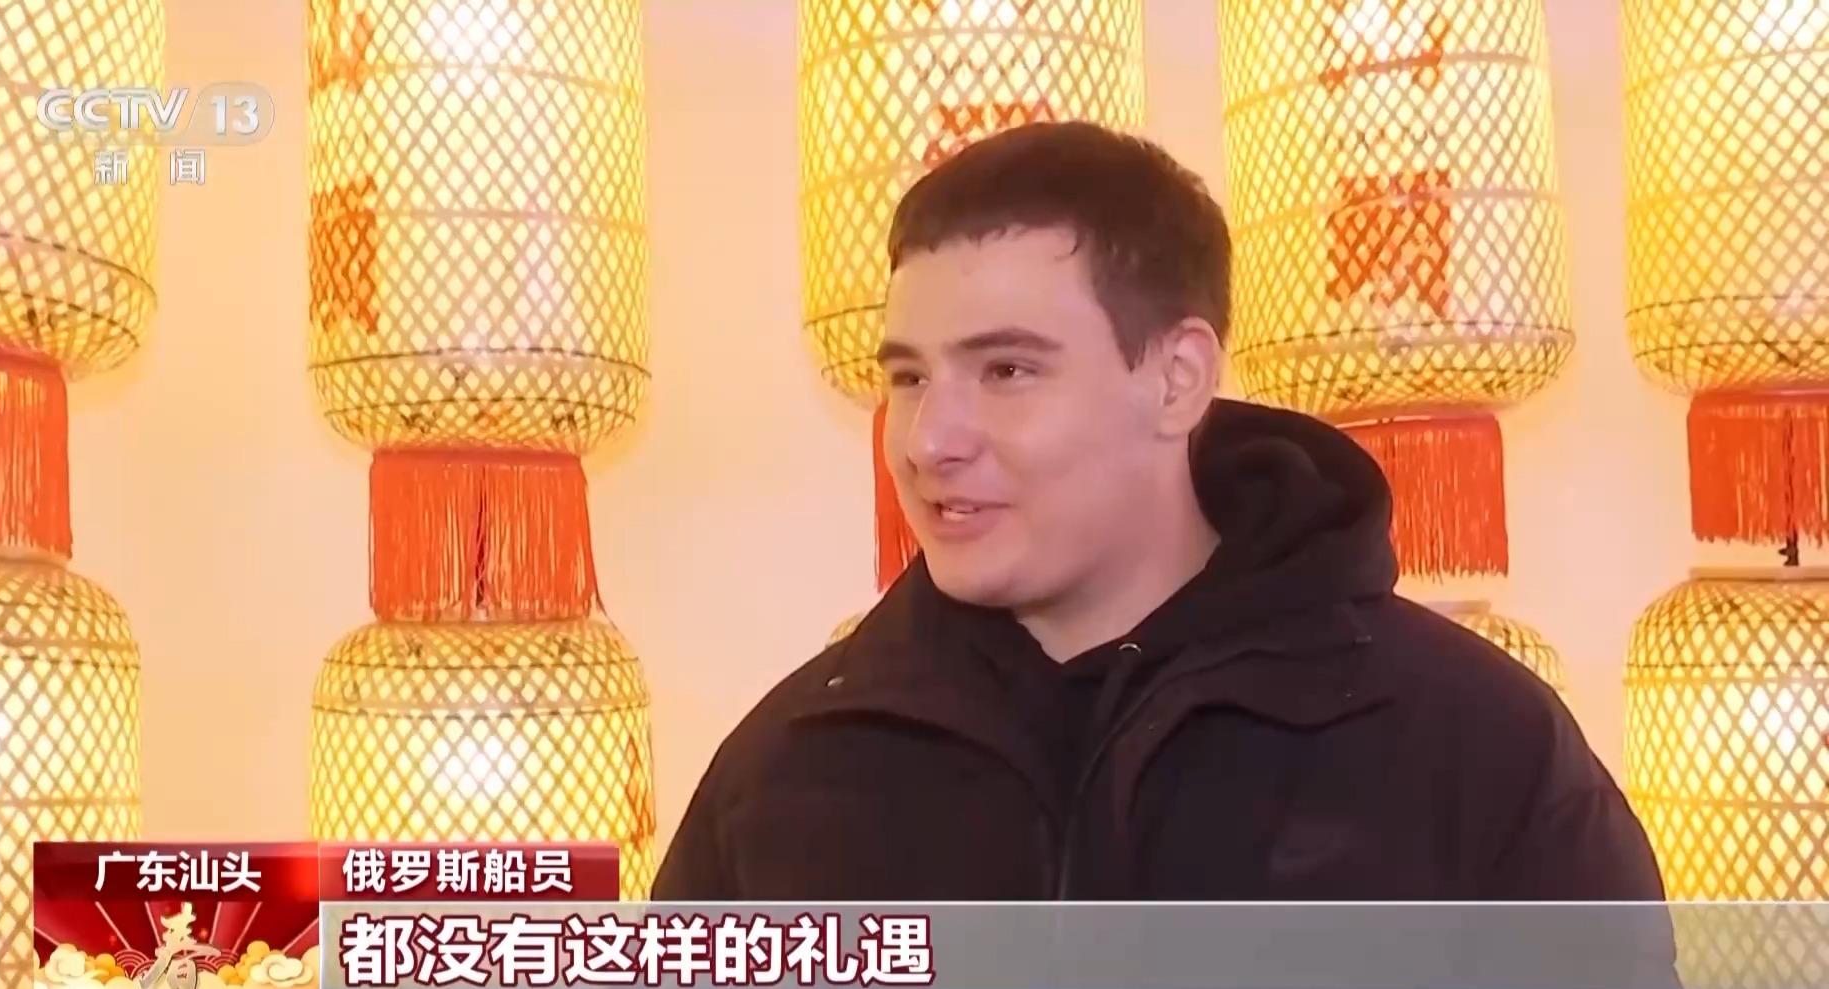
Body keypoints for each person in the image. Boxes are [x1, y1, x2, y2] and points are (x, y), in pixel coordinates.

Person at [651, 120, 1668, 902]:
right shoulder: (790, 768)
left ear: (1177, 377)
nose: (928, 440)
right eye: (910, 377)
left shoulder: (1474, 746)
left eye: (1007, 370)